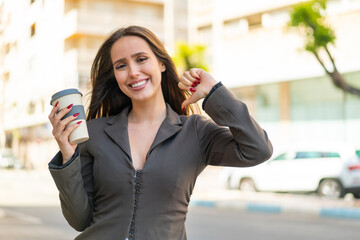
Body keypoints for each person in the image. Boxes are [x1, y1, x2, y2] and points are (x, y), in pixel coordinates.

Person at [48, 25, 273, 240]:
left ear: (162, 64)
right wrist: (68, 156)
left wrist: (214, 91)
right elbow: (80, 219)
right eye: (121, 65)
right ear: (115, 76)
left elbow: (258, 149)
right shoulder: (95, 132)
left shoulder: (195, 131)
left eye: (141, 59)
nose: (133, 72)